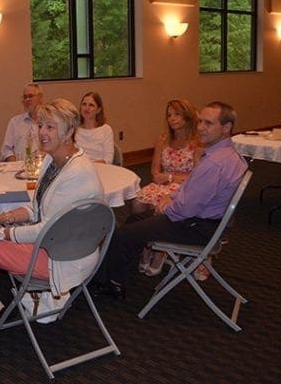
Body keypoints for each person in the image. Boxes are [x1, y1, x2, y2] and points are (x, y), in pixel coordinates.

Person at [0, 99, 104, 351]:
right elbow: (36, 209)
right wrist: (3, 218)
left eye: (50, 127)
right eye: (41, 126)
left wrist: (0, 233)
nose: (42, 133)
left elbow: (43, 229)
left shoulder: (77, 172)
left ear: (69, 132)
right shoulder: (52, 161)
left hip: (64, 258)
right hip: (58, 245)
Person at [92, 101, 247, 299]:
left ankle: (108, 283)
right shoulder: (227, 154)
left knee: (124, 235)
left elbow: (185, 208)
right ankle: (116, 272)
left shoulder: (216, 163)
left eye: (208, 124)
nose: (200, 127)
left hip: (195, 226)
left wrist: (165, 208)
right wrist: (170, 196)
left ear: (226, 128)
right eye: (200, 122)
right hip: (202, 221)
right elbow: (192, 186)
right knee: (133, 222)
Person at [130, 99, 203, 277]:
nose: (172, 119)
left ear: (187, 116)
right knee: (137, 202)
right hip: (162, 183)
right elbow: (155, 170)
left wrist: (170, 177)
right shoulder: (163, 140)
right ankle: (146, 244)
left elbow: (196, 176)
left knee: (160, 207)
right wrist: (160, 177)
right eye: (169, 115)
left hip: (183, 187)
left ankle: (159, 251)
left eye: (177, 114)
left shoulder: (196, 143)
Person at [0, 83, 44, 162]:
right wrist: (15, 165)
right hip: (18, 169)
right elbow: (6, 150)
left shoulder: (49, 122)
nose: (27, 100)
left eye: (30, 96)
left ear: (40, 97)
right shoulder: (15, 122)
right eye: (25, 97)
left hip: (43, 169)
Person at [75, 91, 115, 164]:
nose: (86, 108)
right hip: (78, 169)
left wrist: (90, 165)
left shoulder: (106, 130)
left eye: (91, 105)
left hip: (100, 168)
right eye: (84, 104)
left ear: (98, 110)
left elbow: (108, 160)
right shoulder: (74, 129)